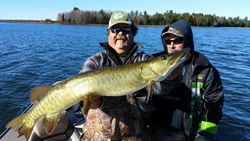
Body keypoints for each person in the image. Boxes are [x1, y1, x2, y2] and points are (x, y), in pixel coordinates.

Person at [79, 11, 153, 141]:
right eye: (115, 29)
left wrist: (171, 79)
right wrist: (88, 102)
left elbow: (162, 88)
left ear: (133, 33)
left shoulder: (145, 61)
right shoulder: (95, 62)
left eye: (126, 29)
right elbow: (79, 102)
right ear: (108, 33)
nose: (120, 34)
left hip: (136, 137)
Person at [150, 20, 224, 141]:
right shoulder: (154, 63)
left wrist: (204, 137)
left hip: (187, 135)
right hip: (155, 132)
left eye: (177, 40)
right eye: (168, 41)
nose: (171, 46)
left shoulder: (206, 70)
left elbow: (214, 108)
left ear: (187, 40)